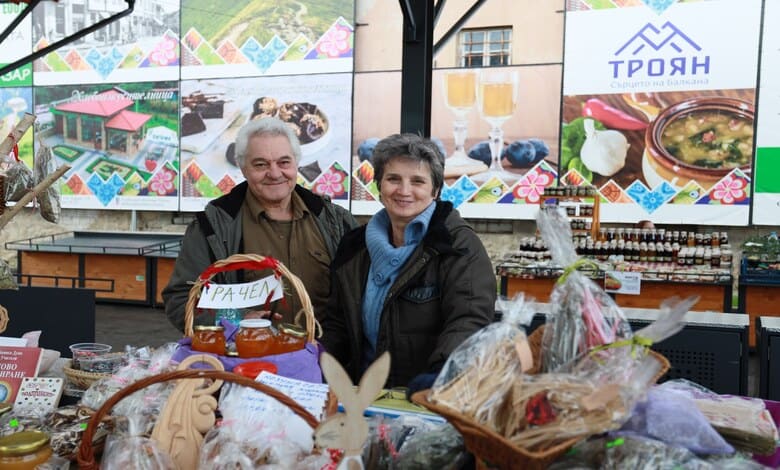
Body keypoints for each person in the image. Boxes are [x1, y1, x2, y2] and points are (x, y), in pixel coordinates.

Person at [320, 133, 496, 390]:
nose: (404, 191)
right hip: (360, 396)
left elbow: (469, 320)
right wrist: (314, 361)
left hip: (424, 399)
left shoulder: (455, 244)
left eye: (417, 181)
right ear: (379, 184)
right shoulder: (354, 246)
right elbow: (338, 324)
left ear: (435, 190)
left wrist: (442, 375)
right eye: (393, 179)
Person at [163, 117, 357, 332]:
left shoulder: (336, 222)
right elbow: (181, 300)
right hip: (245, 360)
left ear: (296, 163)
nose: (274, 174)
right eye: (261, 164)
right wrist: (235, 322)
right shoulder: (212, 226)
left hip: (327, 359)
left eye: (284, 162)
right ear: (243, 168)